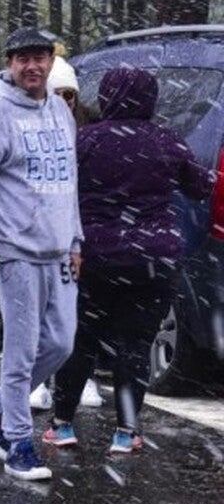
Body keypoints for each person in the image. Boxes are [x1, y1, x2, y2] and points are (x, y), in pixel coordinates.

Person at [43, 68, 214, 454]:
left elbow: (58, 188)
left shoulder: (85, 140)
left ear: (106, 97)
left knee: (81, 340)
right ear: (151, 99)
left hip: (94, 256)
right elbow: (201, 186)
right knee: (135, 345)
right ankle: (126, 431)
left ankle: (62, 423)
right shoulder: (167, 141)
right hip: (153, 259)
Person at [0, 27, 83, 482]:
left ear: (51, 61)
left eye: (40, 57)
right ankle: (18, 443)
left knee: (61, 343)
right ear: (10, 64)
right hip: (15, 252)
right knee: (21, 352)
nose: (32, 66)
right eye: (23, 59)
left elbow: (68, 180)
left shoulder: (60, 112)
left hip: (57, 252)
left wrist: (75, 240)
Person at [29, 55, 103, 411]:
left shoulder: (89, 133)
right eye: (55, 94)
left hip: (80, 230)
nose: (63, 102)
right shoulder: (23, 125)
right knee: (36, 311)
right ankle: (36, 379)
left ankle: (80, 376)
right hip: (36, 232)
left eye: (68, 95)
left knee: (76, 312)